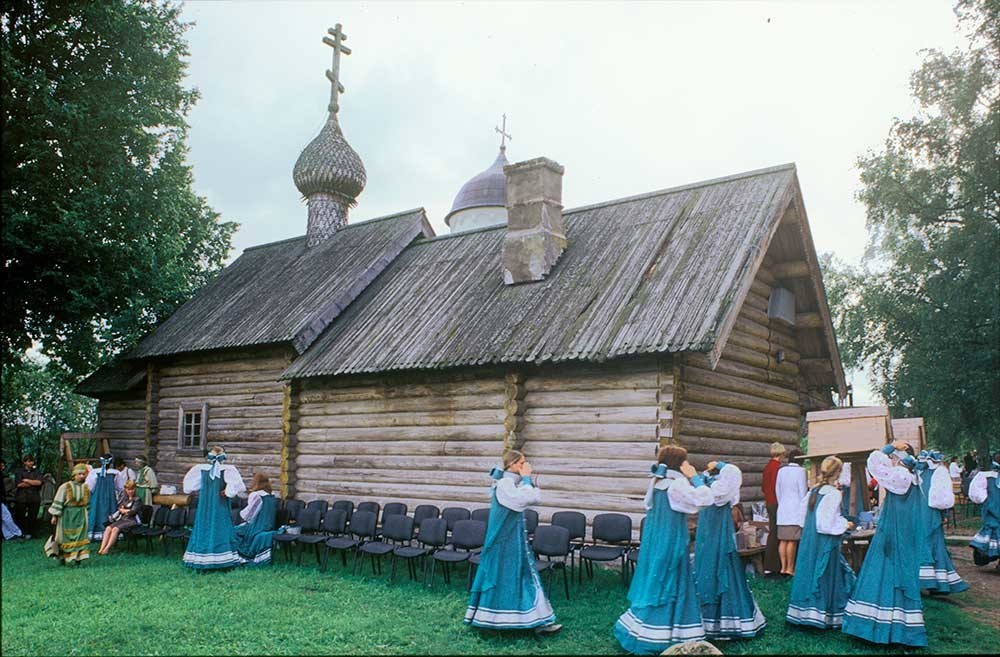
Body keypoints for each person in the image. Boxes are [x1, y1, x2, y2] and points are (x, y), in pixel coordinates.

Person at [613, 444, 714, 653]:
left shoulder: (658, 481)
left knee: (656, 579)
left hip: (656, 538)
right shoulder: (676, 484)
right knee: (672, 580)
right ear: (679, 463)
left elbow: (648, 505)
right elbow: (704, 499)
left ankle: (642, 627)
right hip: (672, 539)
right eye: (685, 460)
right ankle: (668, 632)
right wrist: (694, 477)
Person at [465, 449, 562, 635]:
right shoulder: (504, 485)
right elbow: (524, 499)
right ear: (512, 465)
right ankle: (492, 620)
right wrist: (526, 478)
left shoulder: (511, 483)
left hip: (514, 541)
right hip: (502, 542)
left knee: (523, 577)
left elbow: (534, 498)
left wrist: (526, 480)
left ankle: (536, 621)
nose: (525, 466)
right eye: (522, 462)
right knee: (502, 578)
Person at [842, 441, 926, 647]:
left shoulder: (900, 476)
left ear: (898, 459)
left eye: (894, 457)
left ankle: (878, 626)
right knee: (901, 571)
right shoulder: (914, 478)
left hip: (893, 528)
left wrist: (888, 447)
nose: (890, 460)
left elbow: (874, 462)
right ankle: (902, 627)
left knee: (884, 570)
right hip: (905, 530)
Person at [693, 461, 766, 640]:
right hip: (705, 526)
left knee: (721, 564)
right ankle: (703, 619)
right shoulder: (705, 479)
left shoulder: (725, 480)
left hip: (719, 526)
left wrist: (719, 465)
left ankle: (726, 619)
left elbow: (719, 495)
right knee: (704, 562)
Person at [786, 456, 856, 629]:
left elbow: (802, 518)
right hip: (824, 542)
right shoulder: (833, 494)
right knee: (825, 574)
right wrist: (845, 524)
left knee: (808, 571)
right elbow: (825, 525)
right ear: (838, 473)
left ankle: (803, 613)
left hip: (809, 540)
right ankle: (825, 615)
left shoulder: (814, 490)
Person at [182, 446, 246, 570]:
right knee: (220, 527)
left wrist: (227, 491)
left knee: (205, 527)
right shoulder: (227, 469)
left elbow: (189, 487)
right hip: (219, 504)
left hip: (205, 504)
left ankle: (202, 559)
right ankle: (222, 561)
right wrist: (227, 492)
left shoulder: (201, 469)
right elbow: (236, 488)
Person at [915, 451, 968, 593]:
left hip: (918, 512)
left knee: (923, 543)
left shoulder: (918, 473)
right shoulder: (939, 473)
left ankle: (926, 581)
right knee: (935, 544)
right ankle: (938, 583)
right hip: (930, 513)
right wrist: (945, 513)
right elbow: (941, 498)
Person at [44, 464, 91, 564]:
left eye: (84, 474)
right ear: (74, 475)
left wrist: (87, 513)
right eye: (80, 474)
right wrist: (54, 515)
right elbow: (59, 500)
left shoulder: (86, 487)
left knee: (80, 537)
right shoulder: (65, 487)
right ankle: (63, 558)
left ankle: (78, 559)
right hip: (67, 515)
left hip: (80, 516)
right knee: (63, 537)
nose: (82, 476)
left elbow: (87, 503)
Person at [234, 472, 279, 566]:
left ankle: (239, 556)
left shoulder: (256, 495)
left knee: (233, 531)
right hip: (268, 525)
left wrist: (241, 513)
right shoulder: (271, 495)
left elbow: (248, 515)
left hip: (257, 526)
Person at [775, 448, 807, 577]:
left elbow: (778, 490)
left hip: (783, 508)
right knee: (792, 541)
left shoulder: (781, 471)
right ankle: (790, 567)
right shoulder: (801, 471)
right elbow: (803, 492)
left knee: (783, 540)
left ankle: (783, 567)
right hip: (795, 508)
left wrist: (781, 502)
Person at [968, 451, 1000, 568]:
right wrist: (987, 501)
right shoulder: (986, 475)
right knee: (994, 532)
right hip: (993, 510)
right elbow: (975, 493)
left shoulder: (986, 475)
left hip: (993, 508)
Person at [97, 480, 143, 555]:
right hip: (123, 519)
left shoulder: (137, 499)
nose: (130, 491)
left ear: (135, 489)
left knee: (115, 529)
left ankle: (107, 549)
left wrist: (125, 510)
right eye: (128, 489)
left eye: (132, 489)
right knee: (108, 528)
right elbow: (120, 508)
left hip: (133, 520)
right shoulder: (124, 498)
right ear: (126, 489)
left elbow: (133, 511)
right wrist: (124, 510)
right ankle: (101, 548)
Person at [761, 442, 785, 577]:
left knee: (773, 532)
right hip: (776, 502)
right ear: (781, 454)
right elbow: (778, 487)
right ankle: (773, 565)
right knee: (777, 533)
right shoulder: (777, 468)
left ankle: (770, 565)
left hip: (769, 501)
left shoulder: (767, 467)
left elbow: (764, 487)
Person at [85, 453, 123, 541]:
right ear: (111, 463)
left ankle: (95, 534)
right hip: (110, 498)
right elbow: (120, 487)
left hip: (97, 498)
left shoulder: (94, 472)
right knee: (110, 513)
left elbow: (89, 487)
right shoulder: (115, 473)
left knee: (96, 512)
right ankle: (109, 533)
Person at [13, 454, 43, 540]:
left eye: (32, 461)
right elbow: (19, 484)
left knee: (33, 516)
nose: (30, 463)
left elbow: (39, 482)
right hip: (21, 497)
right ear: (24, 462)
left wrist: (27, 480)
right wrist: (33, 482)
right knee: (20, 515)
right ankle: (21, 532)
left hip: (34, 497)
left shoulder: (37, 471)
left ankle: (32, 533)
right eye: (28, 461)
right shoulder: (19, 471)